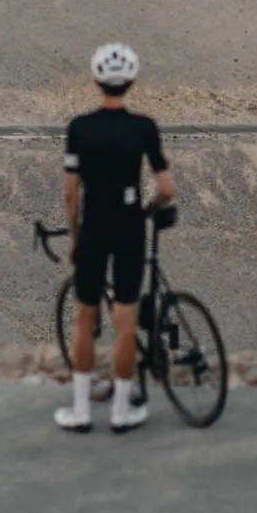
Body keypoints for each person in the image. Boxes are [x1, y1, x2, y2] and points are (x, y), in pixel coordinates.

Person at [56, 42, 175, 434]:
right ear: (131, 81)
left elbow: (71, 193)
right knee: (126, 322)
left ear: (96, 80)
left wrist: (74, 234)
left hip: (94, 226)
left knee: (84, 318)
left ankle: (81, 410)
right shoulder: (144, 127)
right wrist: (147, 207)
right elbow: (167, 187)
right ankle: (122, 411)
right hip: (129, 226)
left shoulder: (79, 128)